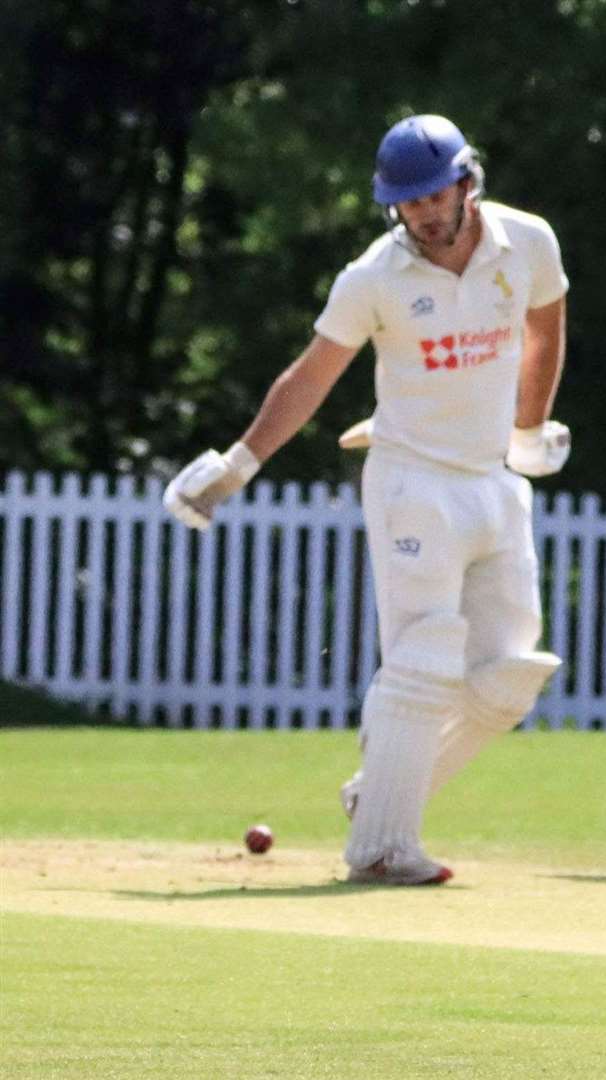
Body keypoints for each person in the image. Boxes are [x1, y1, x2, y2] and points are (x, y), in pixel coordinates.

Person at [163, 114, 572, 886]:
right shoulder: (374, 277)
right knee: (423, 654)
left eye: (433, 194)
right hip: (411, 477)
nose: (422, 212)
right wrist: (238, 465)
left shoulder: (530, 242)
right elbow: (312, 375)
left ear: (467, 180)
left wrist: (529, 428)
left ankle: (379, 795)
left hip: (493, 479)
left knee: (513, 674)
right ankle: (382, 848)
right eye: (407, 202)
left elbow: (546, 333)